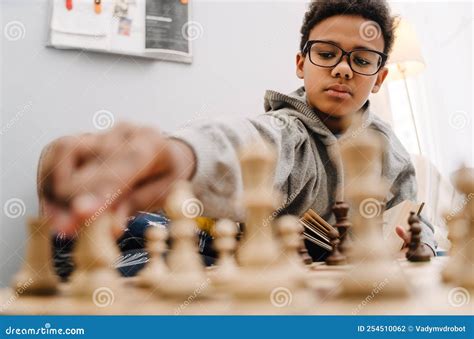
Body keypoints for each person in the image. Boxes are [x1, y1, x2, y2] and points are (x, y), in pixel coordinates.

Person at [38, 0, 437, 262]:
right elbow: (247, 142)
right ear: (301, 63)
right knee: (146, 242)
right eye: (327, 53)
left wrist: (417, 241)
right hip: (228, 250)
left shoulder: (394, 155)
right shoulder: (287, 132)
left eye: (362, 60)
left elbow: (414, 219)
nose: (343, 69)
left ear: (381, 77)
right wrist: (179, 156)